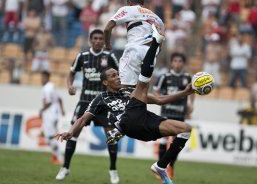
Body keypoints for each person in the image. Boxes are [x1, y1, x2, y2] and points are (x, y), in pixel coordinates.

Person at [57, 25, 193, 184]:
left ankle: (161, 166)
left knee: (185, 129)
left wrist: (185, 93)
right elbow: (82, 119)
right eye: (113, 75)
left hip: (145, 123)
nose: (118, 76)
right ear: (105, 82)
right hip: (130, 122)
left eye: (117, 74)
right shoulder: (102, 98)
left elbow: (159, 100)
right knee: (142, 83)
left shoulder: (130, 91)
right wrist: (71, 132)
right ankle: (155, 42)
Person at [55, 29, 120, 183]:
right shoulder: (82, 56)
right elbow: (71, 73)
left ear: (104, 41)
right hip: (84, 101)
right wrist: (70, 86)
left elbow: (120, 74)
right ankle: (65, 167)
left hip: (104, 102)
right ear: (90, 40)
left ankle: (113, 170)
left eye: (100, 38)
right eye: (95, 38)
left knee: (111, 137)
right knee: (73, 133)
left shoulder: (110, 57)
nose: (98, 41)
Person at [153, 52, 195, 180]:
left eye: (180, 61)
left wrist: (191, 104)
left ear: (183, 63)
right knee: (164, 140)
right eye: (175, 61)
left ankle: (170, 166)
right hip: (166, 112)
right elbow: (156, 90)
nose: (177, 63)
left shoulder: (187, 77)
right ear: (171, 62)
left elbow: (192, 91)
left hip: (180, 113)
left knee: (177, 143)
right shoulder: (164, 77)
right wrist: (159, 99)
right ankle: (160, 167)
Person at [104, 0, 165, 86]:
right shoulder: (157, 18)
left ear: (130, 2)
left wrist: (107, 45)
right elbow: (160, 42)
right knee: (141, 90)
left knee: (125, 87)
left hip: (135, 50)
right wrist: (151, 56)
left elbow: (107, 29)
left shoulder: (129, 9)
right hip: (151, 53)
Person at [40, 70, 65, 164]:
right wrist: (62, 110)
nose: (41, 79)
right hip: (55, 113)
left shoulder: (47, 88)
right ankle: (56, 156)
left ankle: (59, 158)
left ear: (46, 77)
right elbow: (60, 98)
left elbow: (48, 102)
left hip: (50, 114)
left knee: (49, 137)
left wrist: (41, 110)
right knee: (50, 136)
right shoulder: (52, 86)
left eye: (42, 77)